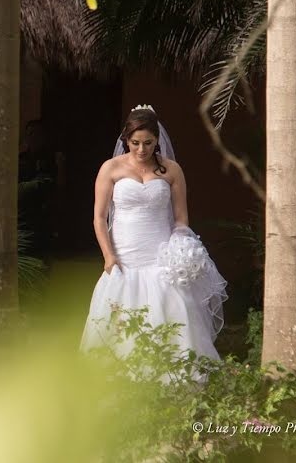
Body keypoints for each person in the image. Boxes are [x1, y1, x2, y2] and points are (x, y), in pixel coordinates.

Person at [80, 105, 227, 360]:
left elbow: (181, 218)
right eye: (135, 143)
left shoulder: (172, 170)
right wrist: (108, 256)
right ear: (126, 140)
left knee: (172, 321)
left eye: (148, 143)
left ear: (157, 140)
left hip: (161, 258)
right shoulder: (110, 169)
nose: (141, 149)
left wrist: (180, 249)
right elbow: (99, 218)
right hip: (124, 258)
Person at [18, 120, 65, 257]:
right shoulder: (20, 159)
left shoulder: (50, 159)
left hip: (43, 216)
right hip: (23, 218)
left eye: (38, 134)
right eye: (31, 134)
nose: (34, 138)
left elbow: (55, 184)